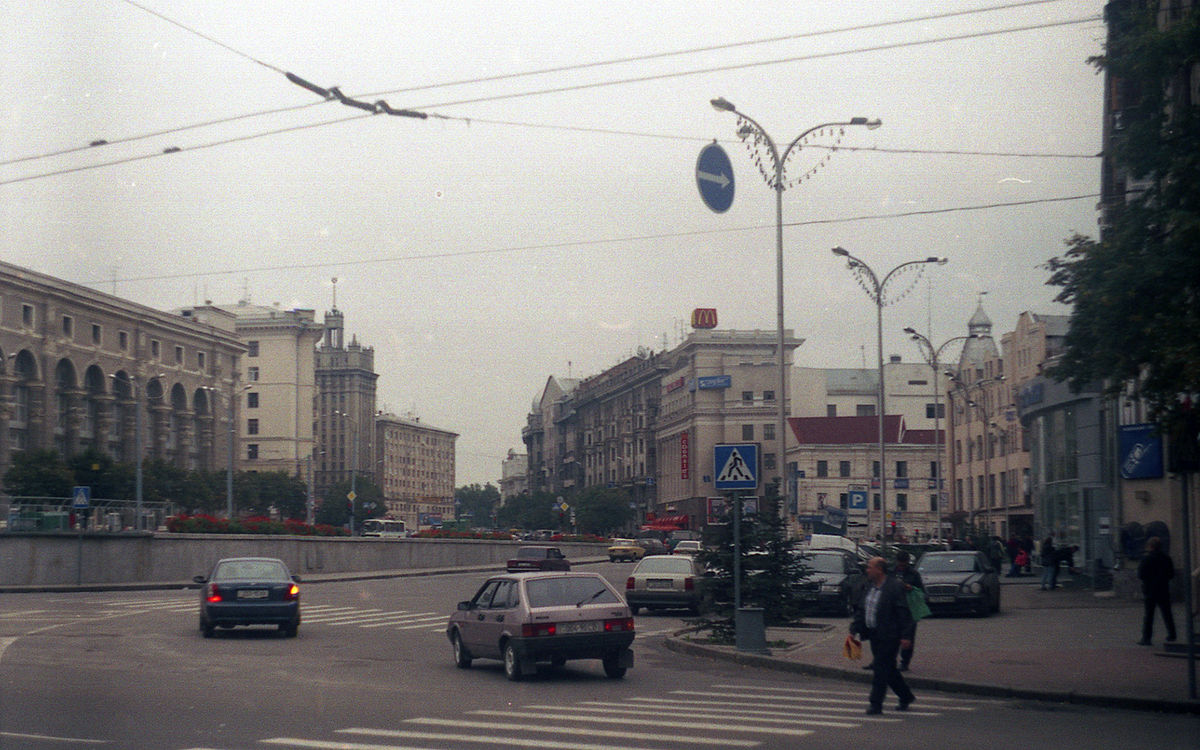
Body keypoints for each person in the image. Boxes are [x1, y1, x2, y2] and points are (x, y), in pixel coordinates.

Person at [850, 557, 916, 714]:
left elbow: (904, 613)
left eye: (870, 567)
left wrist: (906, 636)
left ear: (879, 569)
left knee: (880, 668)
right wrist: (854, 628)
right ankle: (905, 696)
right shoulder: (869, 586)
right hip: (874, 634)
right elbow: (862, 609)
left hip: (890, 635)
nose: (867, 570)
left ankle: (876, 703)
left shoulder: (894, 587)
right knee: (889, 669)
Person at [1137, 536, 1177, 646]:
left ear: (1150, 546)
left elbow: (1141, 574)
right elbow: (1171, 574)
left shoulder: (1147, 558)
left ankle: (1146, 638)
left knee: (1149, 615)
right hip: (1163, 589)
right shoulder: (1166, 558)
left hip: (1150, 590)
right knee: (1167, 613)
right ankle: (1172, 634)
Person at [893, 550, 924, 671]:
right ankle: (891, 660)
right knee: (893, 636)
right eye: (900, 564)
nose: (901, 567)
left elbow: (921, 591)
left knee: (908, 637)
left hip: (909, 608)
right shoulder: (892, 572)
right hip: (894, 608)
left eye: (903, 565)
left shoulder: (914, 574)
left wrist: (911, 588)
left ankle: (905, 662)